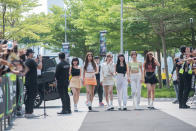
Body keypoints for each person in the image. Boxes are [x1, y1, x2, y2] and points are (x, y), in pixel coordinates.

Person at [24, 48, 42, 118]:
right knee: (32, 96)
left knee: (29, 96)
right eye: (32, 53)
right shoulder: (31, 60)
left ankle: (27, 112)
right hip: (32, 82)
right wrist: (40, 60)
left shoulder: (27, 61)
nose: (33, 54)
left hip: (28, 81)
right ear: (30, 53)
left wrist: (36, 61)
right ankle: (29, 112)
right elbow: (40, 67)